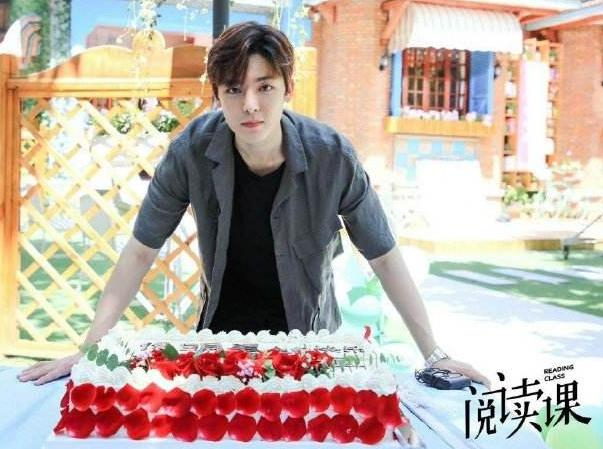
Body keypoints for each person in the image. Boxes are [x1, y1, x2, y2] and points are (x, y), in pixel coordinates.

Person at [18, 22, 489, 388]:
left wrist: (434, 354)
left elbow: (383, 255)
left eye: (264, 86)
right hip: (219, 349)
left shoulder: (332, 156)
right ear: (217, 94)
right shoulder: (189, 152)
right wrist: (91, 349)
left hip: (312, 349)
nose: (249, 104)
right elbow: (141, 250)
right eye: (233, 89)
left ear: (287, 88)